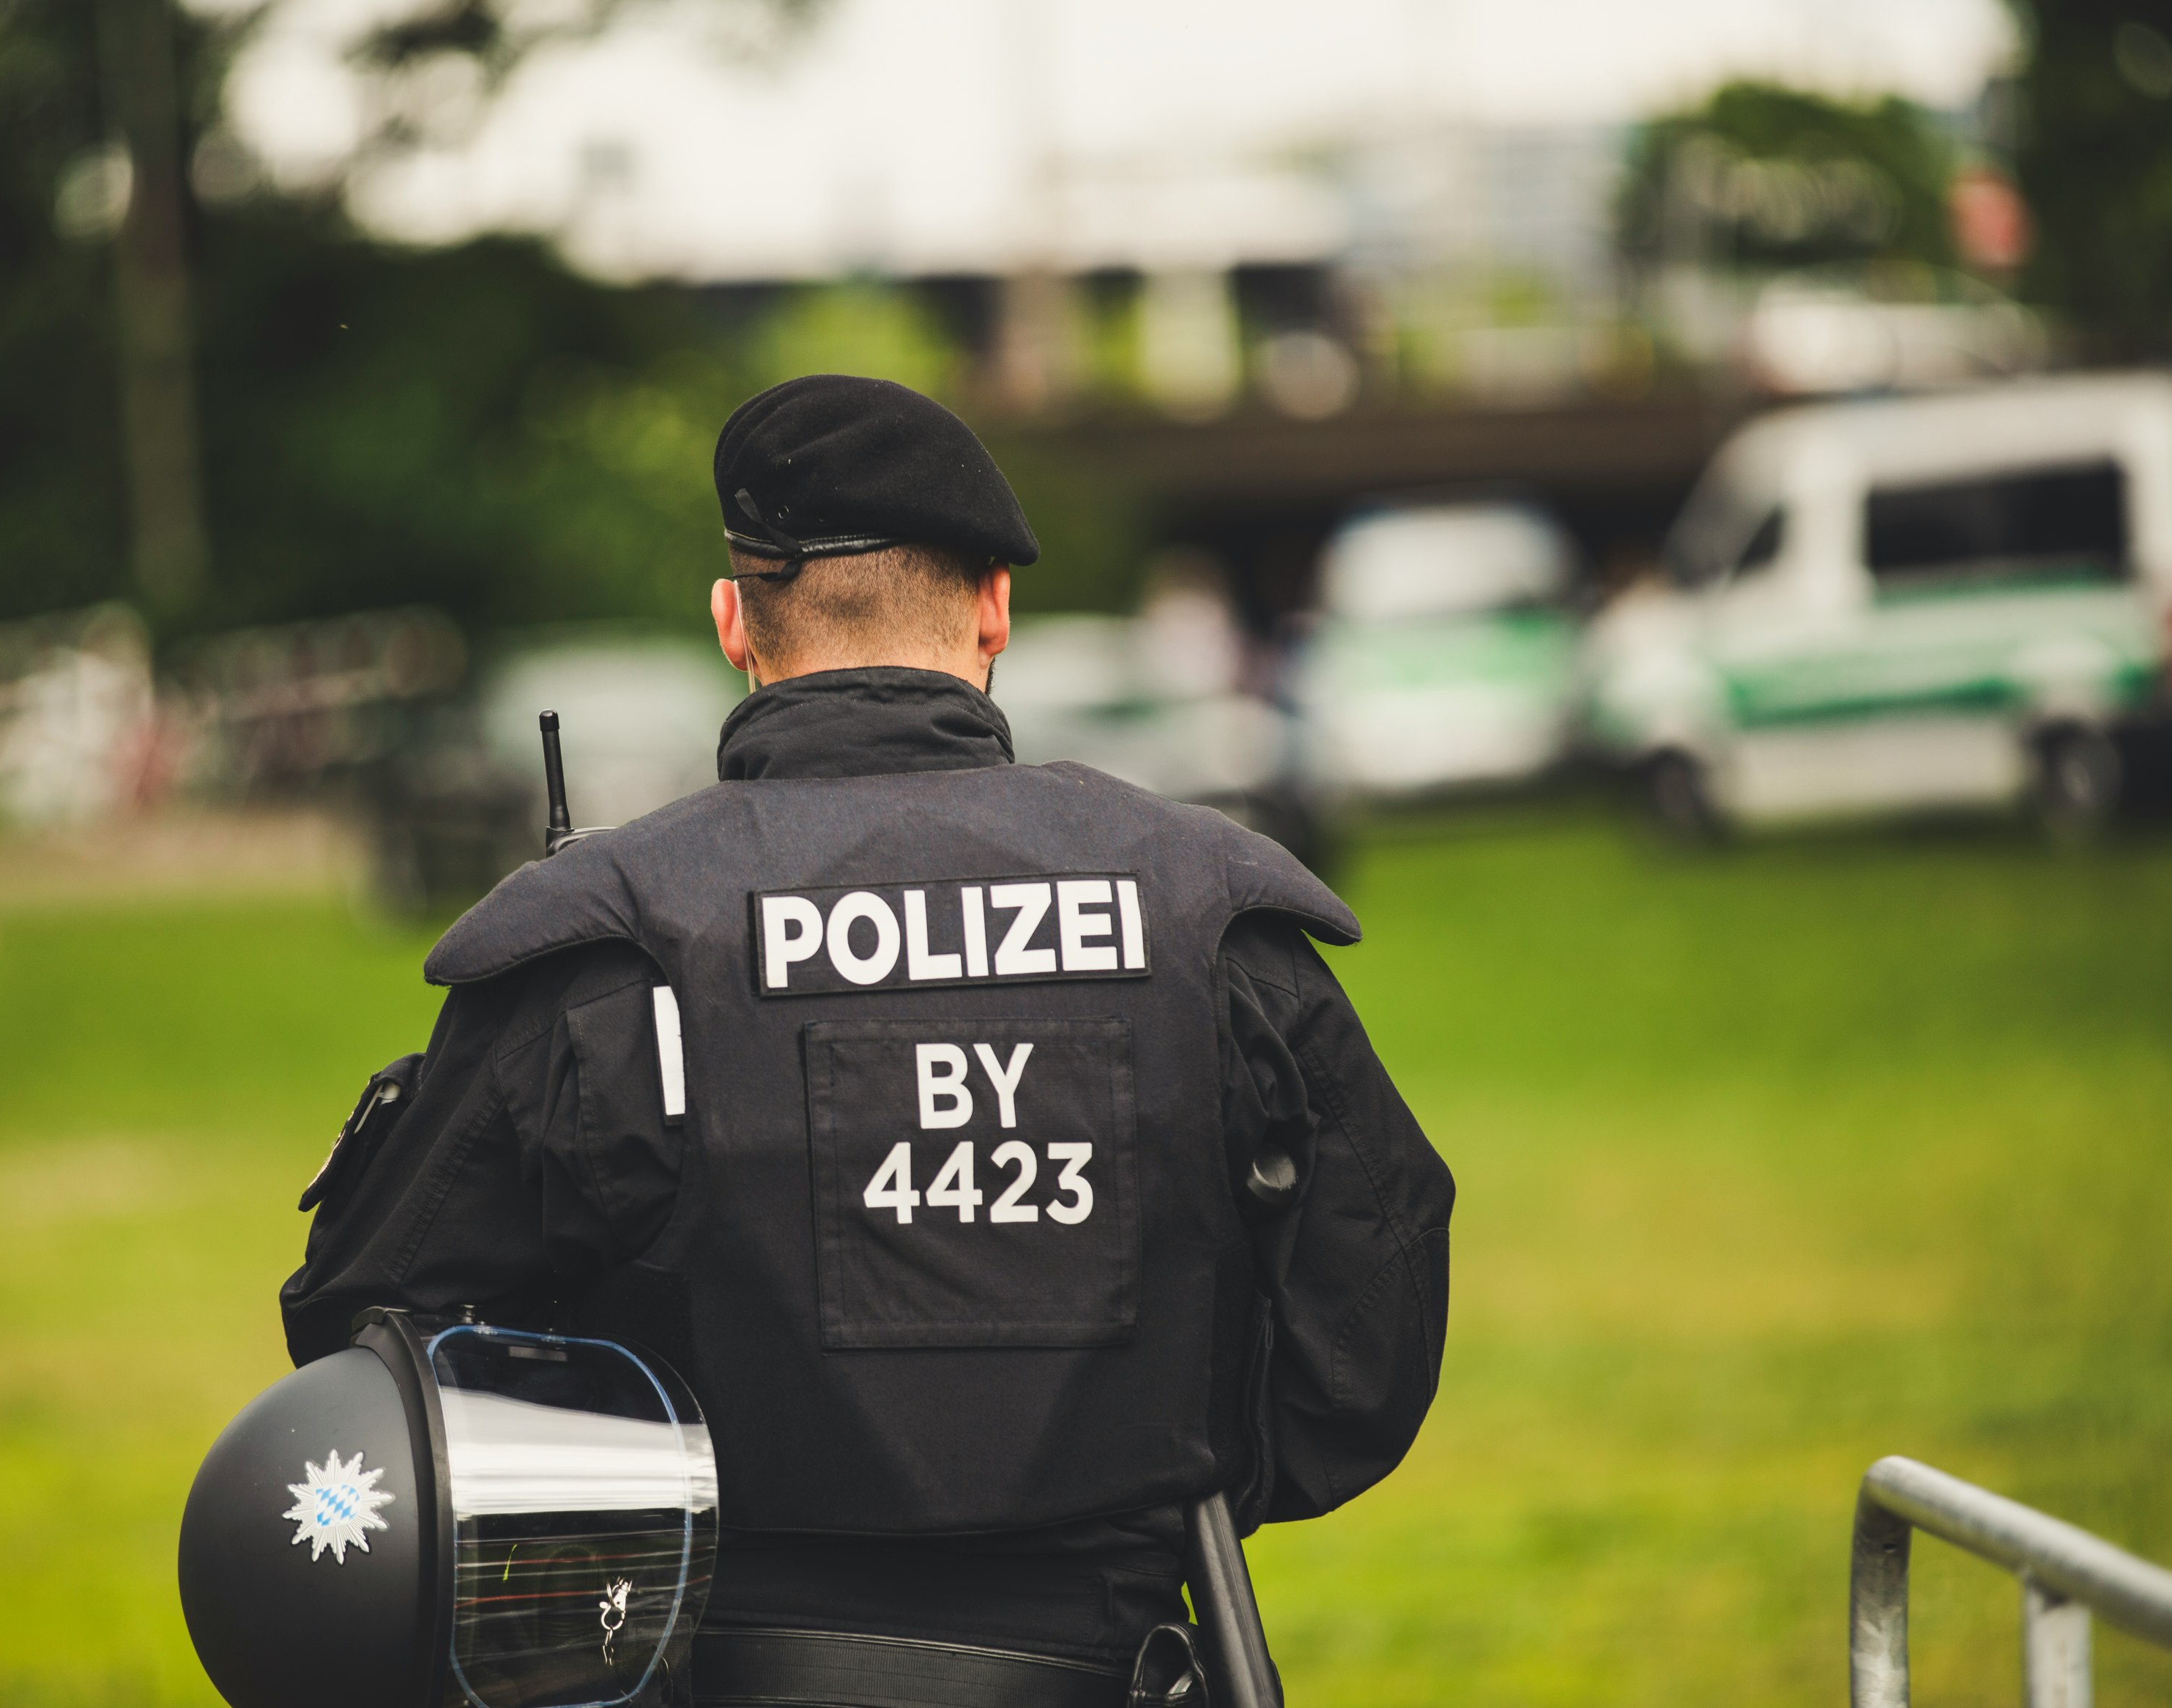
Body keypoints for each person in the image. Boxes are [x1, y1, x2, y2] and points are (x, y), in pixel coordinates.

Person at [283, 375, 1454, 1705]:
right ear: (996, 609)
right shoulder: (1204, 910)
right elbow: (1368, 1340)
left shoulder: (609, 940)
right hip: (1117, 1648)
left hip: (698, 1660)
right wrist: (1146, 1486)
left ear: (735, 621)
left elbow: (369, 1346)